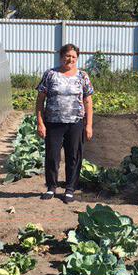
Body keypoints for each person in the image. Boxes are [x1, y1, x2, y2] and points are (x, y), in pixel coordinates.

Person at [35, 44, 94, 203]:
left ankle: (69, 188)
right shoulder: (51, 74)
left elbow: (88, 101)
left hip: (75, 123)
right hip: (53, 123)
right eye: (67, 56)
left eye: (74, 57)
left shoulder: (83, 76)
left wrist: (88, 125)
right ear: (61, 57)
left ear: (77, 58)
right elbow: (40, 100)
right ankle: (51, 187)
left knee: (73, 155)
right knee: (52, 156)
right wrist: (40, 123)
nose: (70, 59)